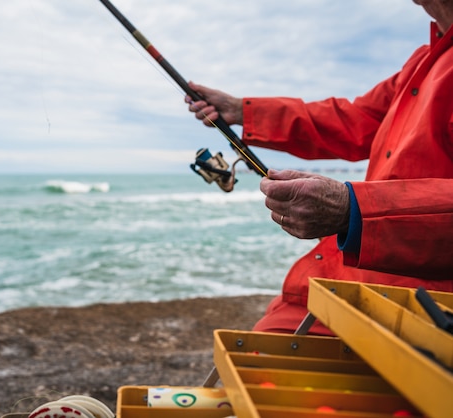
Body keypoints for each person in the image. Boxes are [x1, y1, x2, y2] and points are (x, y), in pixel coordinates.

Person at [186, 0, 453, 335]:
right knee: (261, 348)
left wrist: (353, 210)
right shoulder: (423, 61)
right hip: (353, 279)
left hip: (425, 306)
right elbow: (355, 121)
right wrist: (243, 111)